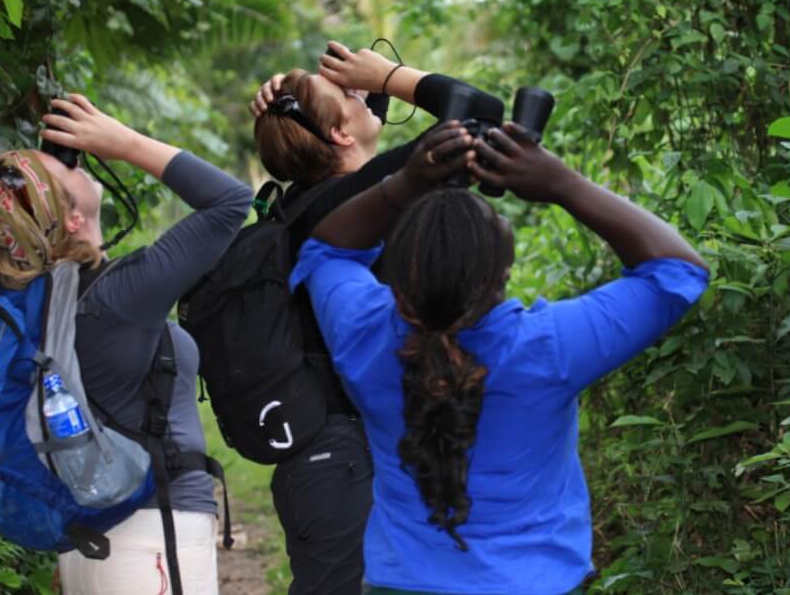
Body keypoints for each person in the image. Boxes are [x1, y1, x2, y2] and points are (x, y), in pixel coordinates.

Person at [287, 122, 710, 594]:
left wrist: (404, 185)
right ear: (505, 268)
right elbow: (678, 271)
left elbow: (327, 251)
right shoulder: (551, 349)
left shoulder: (362, 333)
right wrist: (561, 183)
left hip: (399, 584)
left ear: (398, 276)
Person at [0, 94, 253, 594]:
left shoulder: (48, 301)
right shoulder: (117, 297)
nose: (78, 158)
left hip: (94, 540)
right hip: (152, 541)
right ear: (72, 220)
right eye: (61, 169)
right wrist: (125, 143)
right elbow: (231, 201)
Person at [243, 41, 503, 595]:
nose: (366, 97)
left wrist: (312, 99)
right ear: (339, 135)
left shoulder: (308, 203)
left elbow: (362, 134)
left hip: (331, 453)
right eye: (349, 97)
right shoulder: (352, 193)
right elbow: (478, 112)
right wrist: (390, 74)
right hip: (343, 458)